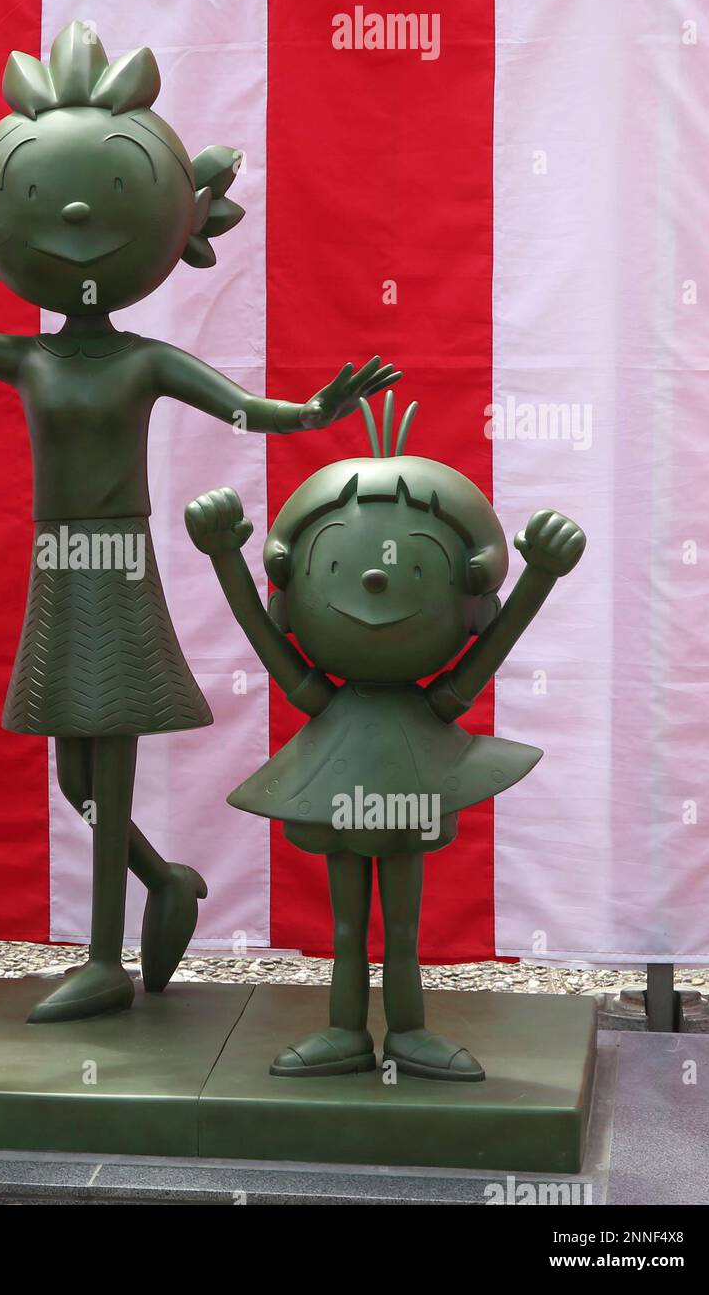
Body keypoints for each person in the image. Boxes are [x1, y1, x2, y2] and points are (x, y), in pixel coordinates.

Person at [0, 21, 396, 1024]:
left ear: (178, 224)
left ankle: (106, 953)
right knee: (75, 769)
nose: (71, 215)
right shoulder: (33, 359)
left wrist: (315, 412)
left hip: (117, 563)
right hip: (60, 566)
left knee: (107, 750)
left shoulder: (144, 359)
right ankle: (164, 881)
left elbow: (245, 408)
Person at [186, 392, 585, 1080]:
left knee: (401, 927)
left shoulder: (426, 700)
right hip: (339, 781)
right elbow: (263, 638)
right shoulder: (332, 694)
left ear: (469, 590)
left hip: (409, 778)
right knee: (345, 927)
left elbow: (481, 660)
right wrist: (224, 556)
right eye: (335, 566)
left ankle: (408, 1031)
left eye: (417, 566)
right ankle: (345, 1031)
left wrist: (542, 576)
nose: (374, 576)